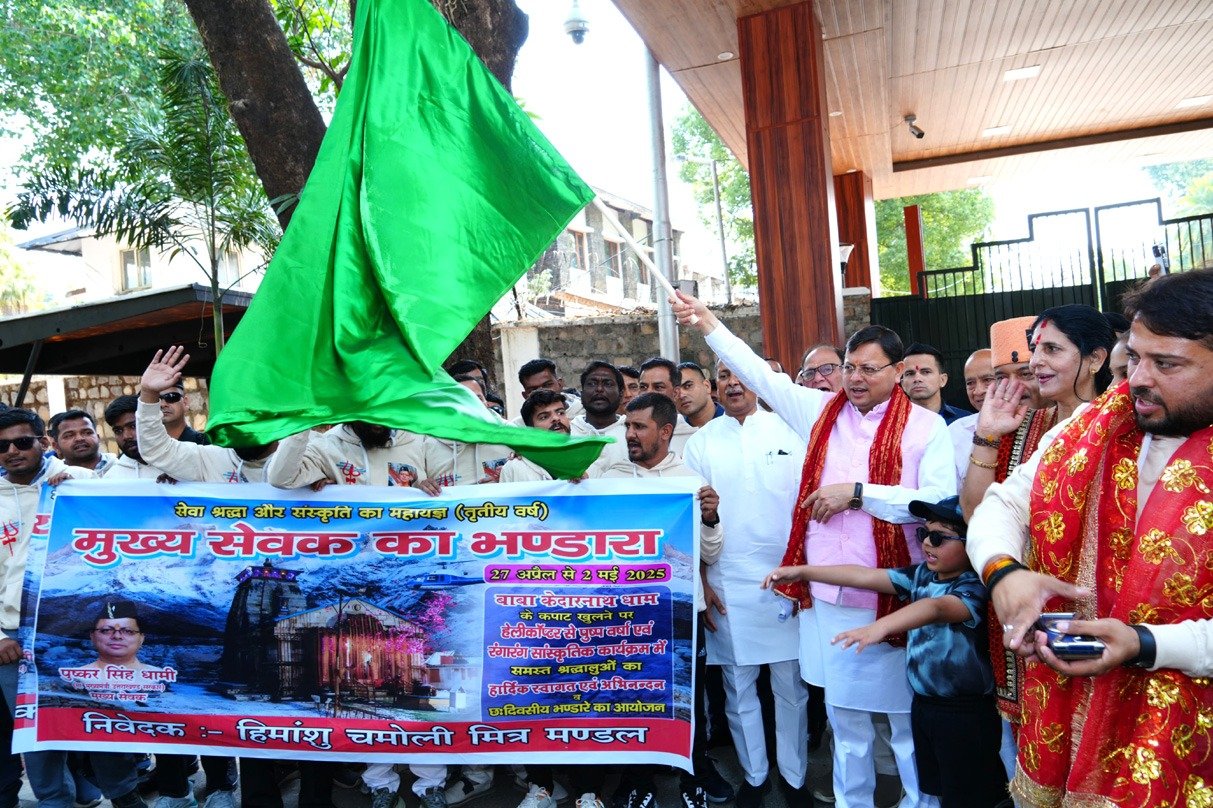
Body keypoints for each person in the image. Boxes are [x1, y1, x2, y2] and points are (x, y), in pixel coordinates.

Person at [671, 290, 956, 808]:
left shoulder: (926, 427)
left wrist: (858, 494)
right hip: (827, 596)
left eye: (869, 369)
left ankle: (918, 802)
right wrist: (708, 322)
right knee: (846, 723)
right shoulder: (822, 412)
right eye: (850, 368)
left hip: (895, 596)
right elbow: (759, 375)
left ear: (897, 372)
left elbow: (935, 501)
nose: (855, 378)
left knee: (904, 724)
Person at [967, 267, 1213, 805]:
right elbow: (1002, 504)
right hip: (1072, 716)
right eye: (1136, 358)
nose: (1139, 379)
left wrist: (1145, 644)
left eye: (1166, 364)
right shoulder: (1094, 425)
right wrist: (1004, 572)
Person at [763, 496, 1008, 808]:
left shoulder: (974, 587)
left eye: (939, 538)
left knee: (970, 796)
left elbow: (935, 608)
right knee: (941, 790)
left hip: (965, 714)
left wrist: (881, 626)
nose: (927, 544)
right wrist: (802, 571)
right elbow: (863, 575)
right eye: (924, 534)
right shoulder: (921, 576)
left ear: (972, 544)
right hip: (926, 706)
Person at [683, 361, 809, 807]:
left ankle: (795, 778)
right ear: (715, 385)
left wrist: (805, 574)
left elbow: (808, 509)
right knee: (738, 689)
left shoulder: (792, 432)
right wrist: (702, 580)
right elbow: (692, 520)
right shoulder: (701, 443)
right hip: (726, 580)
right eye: (724, 376)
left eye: (741, 375)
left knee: (791, 687)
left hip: (788, 577)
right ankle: (754, 777)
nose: (733, 383)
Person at [601, 392, 724, 808]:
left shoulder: (691, 480)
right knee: (631, 697)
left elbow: (711, 554)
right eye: (627, 426)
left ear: (666, 431)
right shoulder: (610, 477)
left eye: (640, 426)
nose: (630, 434)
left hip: (680, 615)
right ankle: (638, 781)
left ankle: (695, 775)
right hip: (625, 615)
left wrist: (710, 518)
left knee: (687, 699)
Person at [137, 347, 276, 483]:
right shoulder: (211, 459)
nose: (242, 429)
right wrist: (148, 393)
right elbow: (157, 450)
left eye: (252, 417)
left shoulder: (289, 460)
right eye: (233, 420)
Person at [266, 421, 428, 489]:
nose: (377, 422)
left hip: (403, 547)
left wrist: (428, 489)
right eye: (368, 411)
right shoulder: (326, 446)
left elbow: (441, 497)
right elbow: (280, 479)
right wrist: (302, 421)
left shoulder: (419, 442)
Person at [498, 390, 574, 483]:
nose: (556, 418)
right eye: (544, 417)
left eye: (560, 413)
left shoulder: (586, 459)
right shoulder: (514, 469)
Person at [569, 361, 628, 476]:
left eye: (608, 384)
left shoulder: (632, 433)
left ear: (621, 394)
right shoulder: (567, 433)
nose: (599, 389)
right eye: (592, 384)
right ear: (581, 394)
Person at [948, 349, 994, 485]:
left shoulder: (1034, 425)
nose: (978, 391)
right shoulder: (955, 432)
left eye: (987, 380)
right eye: (970, 383)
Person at [901, 343, 971, 425]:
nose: (917, 379)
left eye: (926, 372)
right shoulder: (891, 424)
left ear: (942, 380)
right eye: (910, 373)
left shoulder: (966, 421)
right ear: (902, 384)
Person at [637, 357, 696, 455]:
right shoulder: (625, 434)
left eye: (658, 387)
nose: (649, 392)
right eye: (643, 387)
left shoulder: (694, 439)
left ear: (676, 393)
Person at [48, 409, 116, 473]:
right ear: (56, 446)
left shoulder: (117, 467)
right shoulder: (52, 476)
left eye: (87, 433)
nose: (79, 438)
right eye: (69, 435)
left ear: (98, 438)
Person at [518, 358, 582, 420]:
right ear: (525, 396)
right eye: (533, 390)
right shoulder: (519, 425)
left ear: (560, 384)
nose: (542, 392)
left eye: (547, 385)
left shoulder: (584, 413)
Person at [676, 361, 723, 428]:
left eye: (688, 386)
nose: (681, 395)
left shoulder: (735, 421)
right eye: (675, 391)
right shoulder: (674, 432)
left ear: (707, 386)